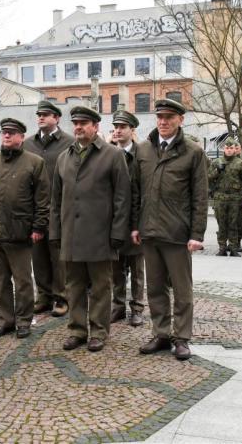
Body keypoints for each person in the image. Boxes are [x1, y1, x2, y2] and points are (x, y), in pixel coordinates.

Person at [131, 98, 208, 360]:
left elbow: (200, 197)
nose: (163, 122)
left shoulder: (192, 151)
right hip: (149, 232)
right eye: (160, 117)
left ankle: (182, 337)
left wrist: (196, 235)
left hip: (177, 234)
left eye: (169, 118)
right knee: (154, 288)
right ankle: (161, 334)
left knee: (182, 290)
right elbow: (135, 192)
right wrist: (134, 225)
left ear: (180, 120)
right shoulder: (143, 150)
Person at [50, 105, 131, 352]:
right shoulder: (64, 157)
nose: (78, 127)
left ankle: (98, 331)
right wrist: (55, 232)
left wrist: (118, 233)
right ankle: (77, 329)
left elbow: (122, 197)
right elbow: (56, 200)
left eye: (84, 123)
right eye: (75, 123)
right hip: (71, 236)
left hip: (100, 235)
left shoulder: (112, 155)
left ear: (95, 127)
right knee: (73, 287)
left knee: (100, 287)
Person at [0, 118, 49, 339]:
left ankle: (24, 320)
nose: (6, 136)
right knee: (0, 280)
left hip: (20, 232)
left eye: (12, 133)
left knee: (23, 281)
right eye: (4, 132)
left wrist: (38, 227)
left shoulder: (35, 162)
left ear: (21, 137)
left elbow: (43, 199)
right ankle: (5, 320)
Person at [24, 100, 74, 317]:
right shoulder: (28, 144)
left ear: (57, 118)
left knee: (58, 256)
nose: (41, 117)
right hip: (34, 209)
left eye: (46, 114)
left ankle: (61, 297)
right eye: (39, 114)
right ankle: (43, 296)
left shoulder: (69, 143)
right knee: (38, 255)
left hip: (58, 208)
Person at [110, 110, 145, 327]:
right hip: (114, 221)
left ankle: (138, 308)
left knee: (137, 270)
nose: (118, 130)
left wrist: (139, 225)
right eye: (116, 127)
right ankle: (118, 306)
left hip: (136, 221)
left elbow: (144, 192)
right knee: (116, 269)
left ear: (132, 130)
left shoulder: (142, 154)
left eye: (123, 127)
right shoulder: (109, 153)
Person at [208, 137, 242, 257]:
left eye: (231, 148)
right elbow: (207, 178)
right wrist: (217, 171)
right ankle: (222, 247)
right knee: (221, 224)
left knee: (233, 224)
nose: (229, 150)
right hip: (220, 197)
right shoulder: (216, 162)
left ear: (235, 149)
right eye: (227, 148)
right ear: (223, 149)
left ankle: (233, 247)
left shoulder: (241, 163)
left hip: (235, 198)